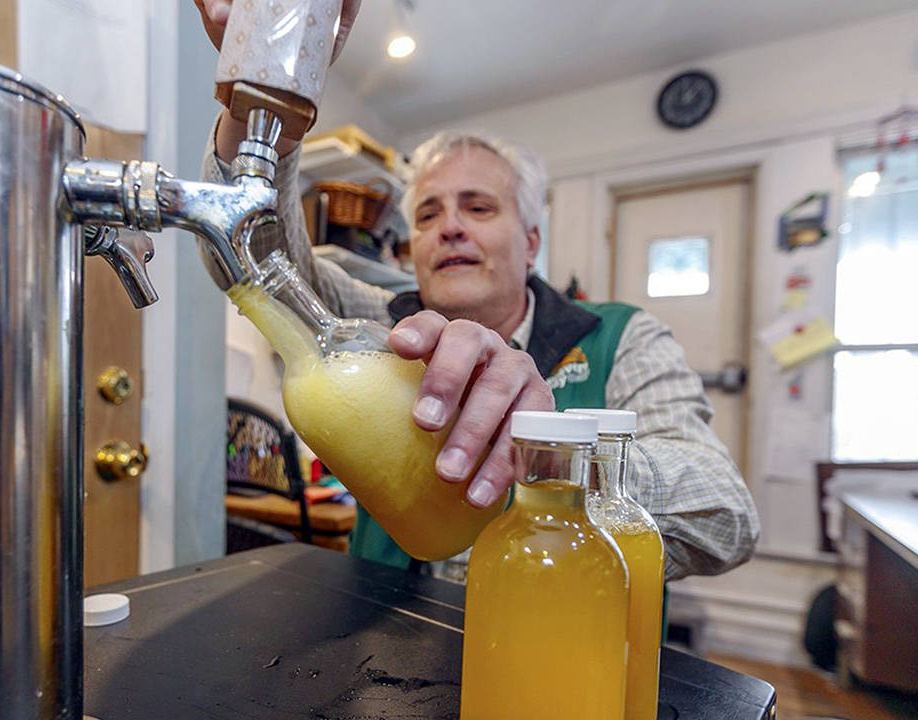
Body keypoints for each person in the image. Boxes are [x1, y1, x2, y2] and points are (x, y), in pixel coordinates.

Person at [196, 0, 759, 580]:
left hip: (559, 651)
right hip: (387, 651)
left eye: (479, 207)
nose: (451, 227)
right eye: (429, 215)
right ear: (412, 247)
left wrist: (549, 454)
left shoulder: (621, 337)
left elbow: (727, 517)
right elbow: (252, 265)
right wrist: (266, 112)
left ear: (532, 240)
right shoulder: (379, 332)